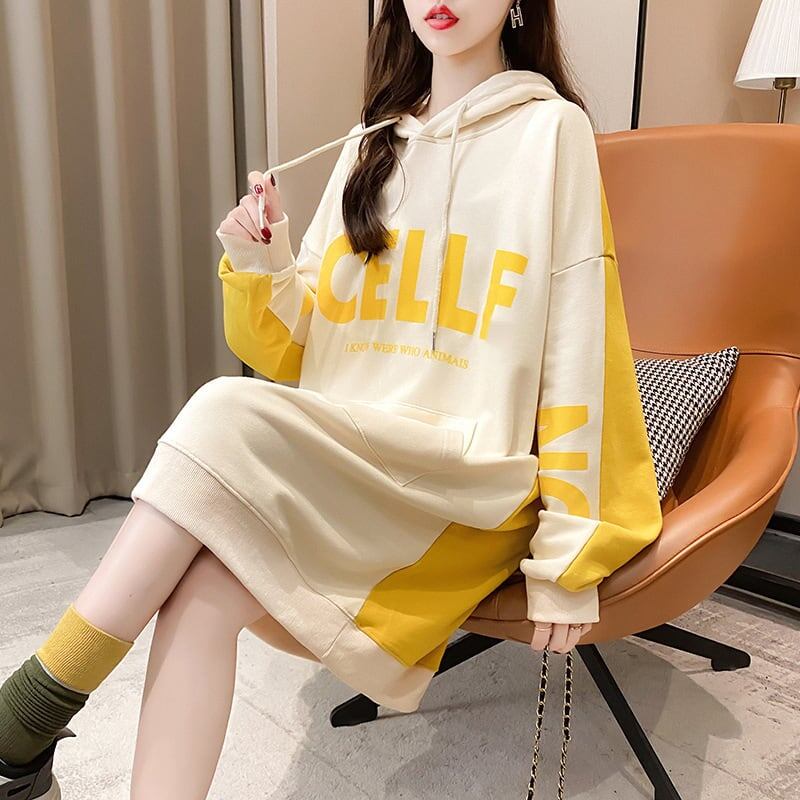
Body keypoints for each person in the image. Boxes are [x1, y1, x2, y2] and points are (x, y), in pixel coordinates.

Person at [0, 1, 663, 798]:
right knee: (201, 591)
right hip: (352, 459)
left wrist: (568, 556)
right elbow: (298, 345)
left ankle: (23, 718)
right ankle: (20, 754)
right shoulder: (370, 142)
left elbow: (580, 347)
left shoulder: (552, 133)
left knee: (223, 408)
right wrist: (264, 258)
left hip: (462, 484)